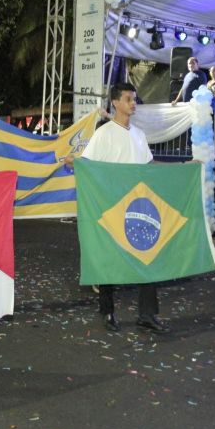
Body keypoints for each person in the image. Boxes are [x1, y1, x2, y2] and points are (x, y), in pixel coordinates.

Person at [69, 83, 170, 334]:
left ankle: (147, 314)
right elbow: (90, 166)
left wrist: (183, 168)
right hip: (113, 208)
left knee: (148, 259)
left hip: (138, 207)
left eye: (134, 99)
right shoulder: (104, 134)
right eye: (128, 99)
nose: (133, 103)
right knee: (109, 261)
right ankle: (107, 311)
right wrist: (77, 164)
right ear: (115, 102)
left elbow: (148, 165)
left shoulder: (138, 134)